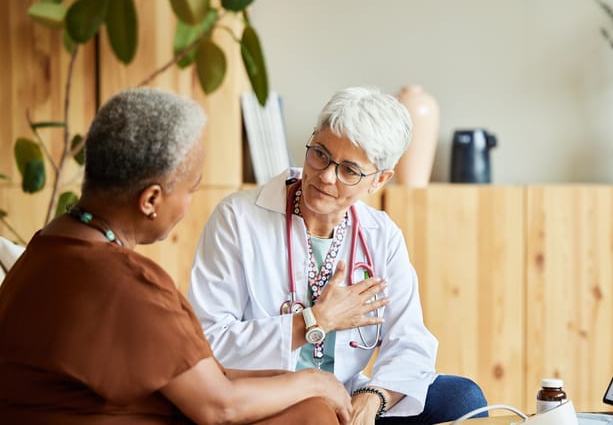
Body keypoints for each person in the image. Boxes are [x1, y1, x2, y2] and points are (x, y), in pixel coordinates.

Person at [0, 87, 351, 424]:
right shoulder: (128, 283)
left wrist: (296, 383)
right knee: (313, 413)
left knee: (306, 406)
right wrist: (313, 381)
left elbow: (198, 370)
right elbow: (218, 407)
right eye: (191, 189)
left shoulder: (45, 246)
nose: (189, 203)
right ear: (151, 200)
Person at [188, 87, 488, 424]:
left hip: (344, 400)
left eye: (349, 171)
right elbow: (207, 342)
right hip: (269, 401)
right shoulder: (238, 219)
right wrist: (312, 322)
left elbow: (411, 342)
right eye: (320, 154)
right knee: (315, 413)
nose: (326, 176)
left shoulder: (381, 235)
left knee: (463, 398)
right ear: (312, 140)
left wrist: (374, 397)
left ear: (379, 180)